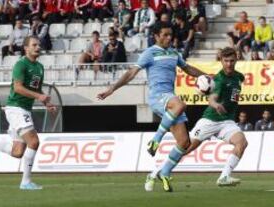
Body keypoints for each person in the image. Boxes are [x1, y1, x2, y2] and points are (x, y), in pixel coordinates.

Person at [98, 22, 205, 192]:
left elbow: (188, 68)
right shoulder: (149, 53)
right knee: (181, 104)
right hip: (158, 97)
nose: (169, 38)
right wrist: (112, 88)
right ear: (156, 36)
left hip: (170, 100)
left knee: (184, 143)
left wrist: (205, 75)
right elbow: (131, 73)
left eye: (170, 35)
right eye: (165, 35)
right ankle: (155, 140)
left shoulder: (174, 53)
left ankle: (162, 172)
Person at [0, 36, 57, 190]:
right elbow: (18, 88)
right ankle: (26, 182)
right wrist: (39, 96)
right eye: (34, 45)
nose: (38, 47)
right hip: (16, 108)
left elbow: (36, 89)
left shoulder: (40, 67)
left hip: (23, 109)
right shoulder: (20, 65)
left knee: (18, 152)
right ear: (26, 48)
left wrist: (47, 103)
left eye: (39, 45)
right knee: (33, 142)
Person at [152, 47, 248, 187]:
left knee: (242, 142)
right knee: (186, 148)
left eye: (232, 61)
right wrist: (215, 104)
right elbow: (212, 98)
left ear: (236, 60)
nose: (229, 64)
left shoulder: (239, 77)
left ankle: (224, 177)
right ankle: (157, 171)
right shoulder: (219, 80)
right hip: (210, 120)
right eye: (226, 61)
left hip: (227, 121)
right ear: (221, 61)